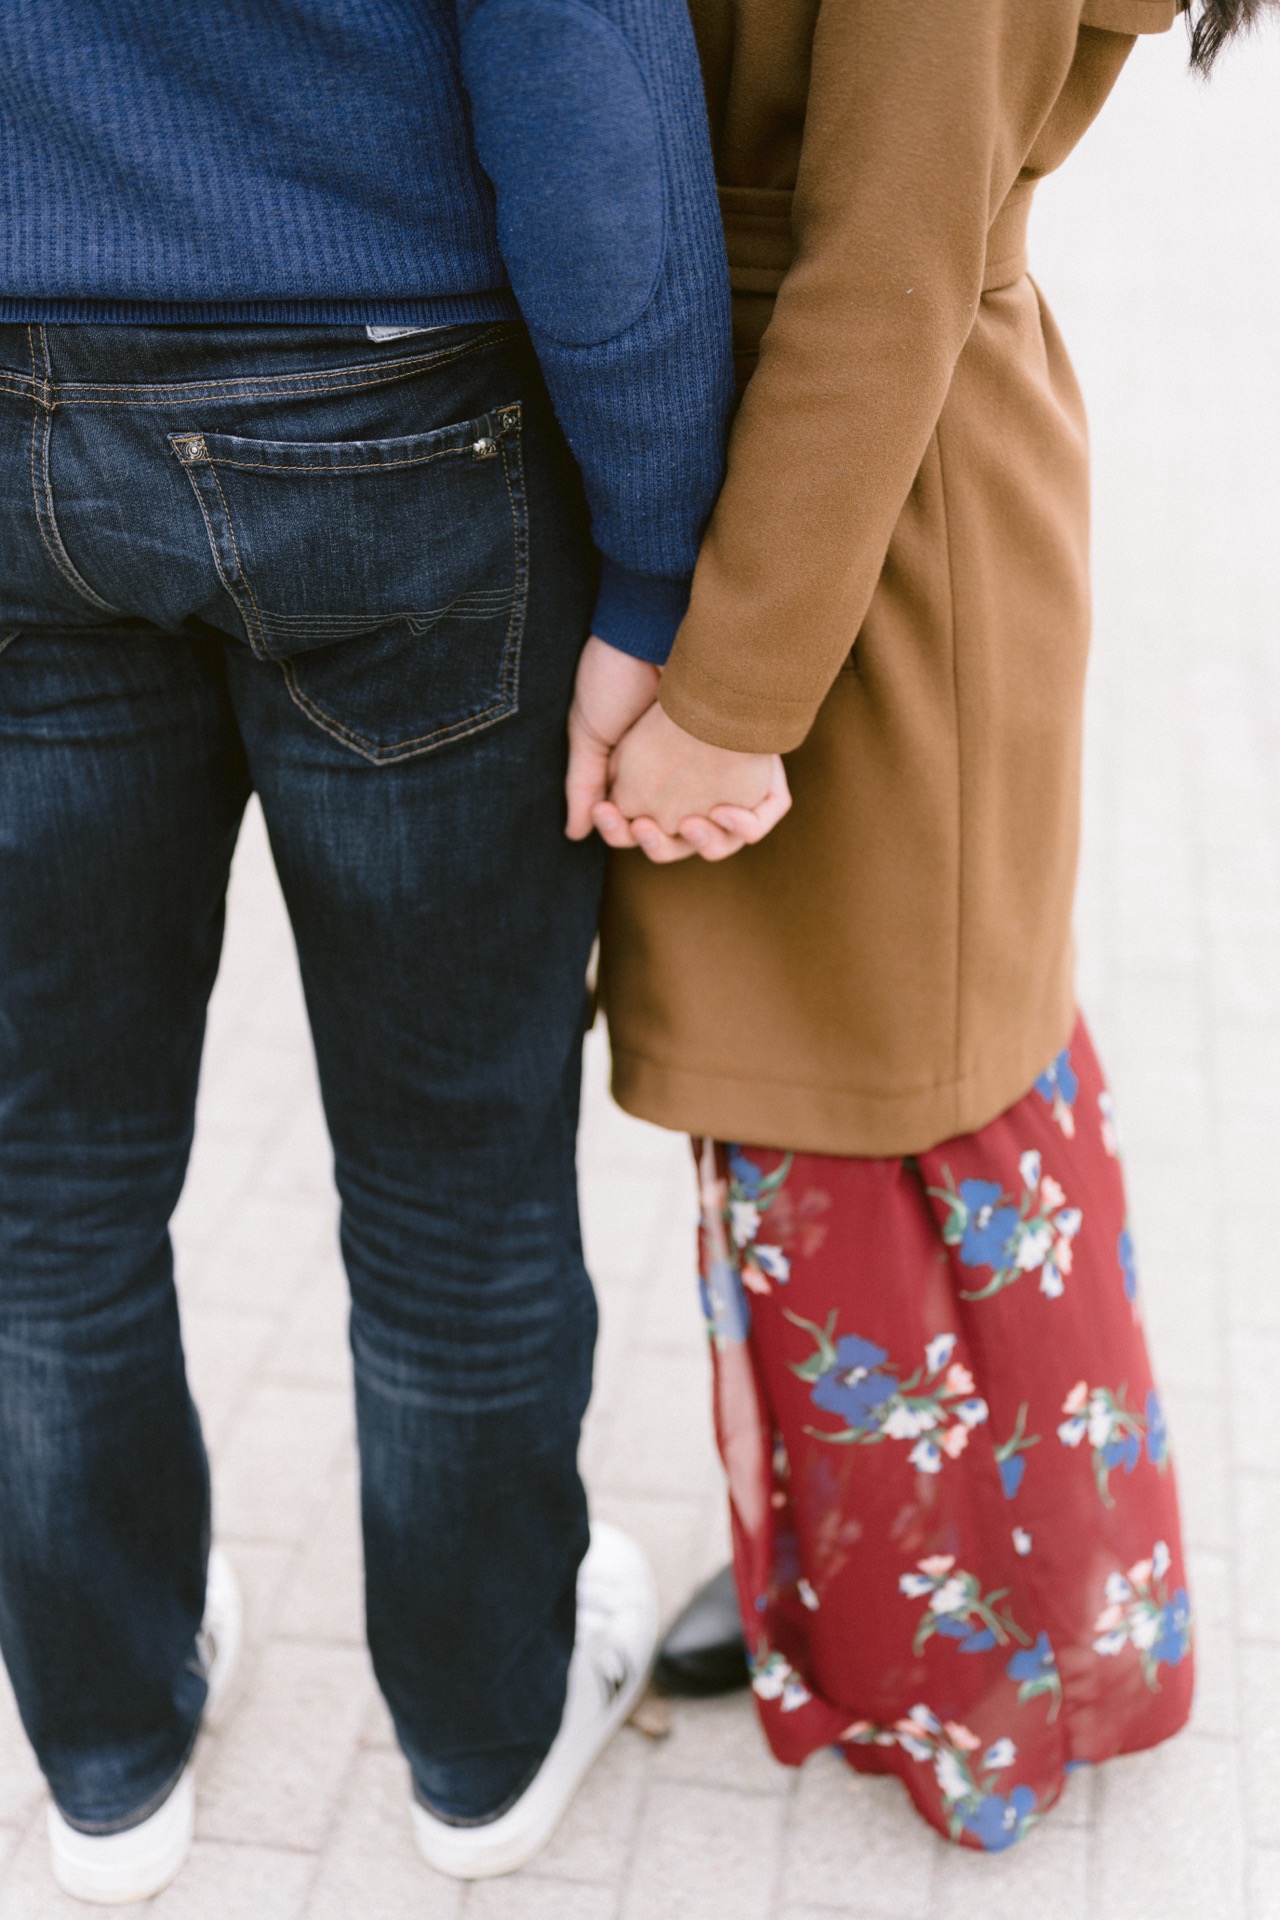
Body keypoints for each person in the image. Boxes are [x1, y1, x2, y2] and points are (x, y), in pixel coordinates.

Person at [0, 0, 760, 1901]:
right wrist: (665, 565)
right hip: (404, 423)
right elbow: (583, 79)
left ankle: (106, 1756)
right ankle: (483, 1746)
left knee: (45, 1178)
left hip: (18, 403)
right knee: (452, 1179)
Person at [585, 0, 1271, 1852]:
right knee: (838, 1093)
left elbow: (884, 268)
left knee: (917, 1099)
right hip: (815, 483)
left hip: (863, 516)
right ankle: (859, 1591)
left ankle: (994, 1672)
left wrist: (729, 695)